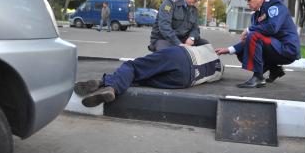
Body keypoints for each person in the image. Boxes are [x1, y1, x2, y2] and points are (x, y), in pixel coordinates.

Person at [74, 44, 224, 107]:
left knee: (132, 66)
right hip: (186, 80)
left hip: (181, 55)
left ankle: (107, 84)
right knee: (141, 79)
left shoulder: (209, 48)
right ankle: (108, 86)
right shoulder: (219, 72)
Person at [215, 0, 300, 88]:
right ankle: (274, 69)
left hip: (287, 49)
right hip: (274, 47)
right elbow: (251, 41)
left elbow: (272, 28)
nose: (247, 2)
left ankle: (258, 77)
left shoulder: (275, 6)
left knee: (254, 36)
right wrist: (229, 50)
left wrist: (249, 29)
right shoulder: (256, 15)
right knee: (242, 52)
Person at [148, 0, 214, 52]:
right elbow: (164, 27)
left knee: (205, 46)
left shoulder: (193, 9)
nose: (197, 1)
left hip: (183, 40)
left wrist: (191, 38)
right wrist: (178, 43)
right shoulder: (170, 3)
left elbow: (195, 29)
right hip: (164, 39)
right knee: (171, 53)